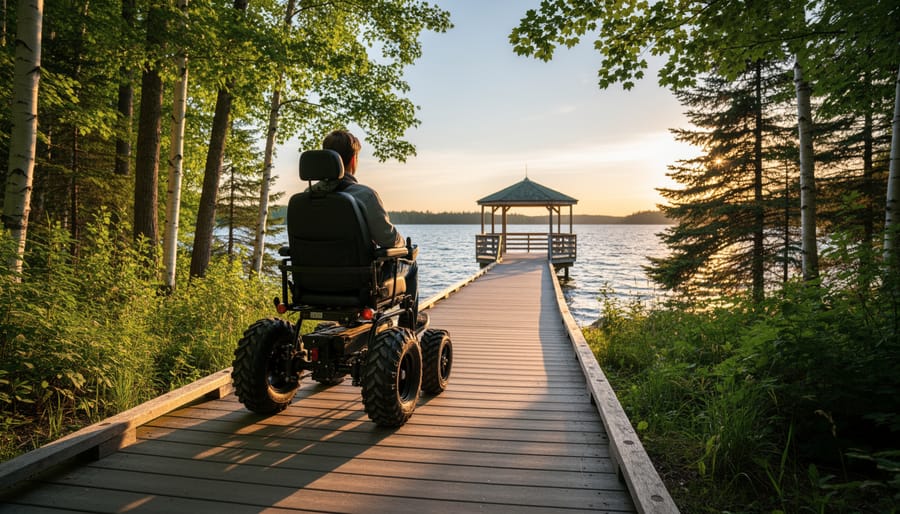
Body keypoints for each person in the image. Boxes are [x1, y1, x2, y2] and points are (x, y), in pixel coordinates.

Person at [316, 129, 419, 321]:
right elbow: (387, 239)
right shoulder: (364, 195)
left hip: (313, 284)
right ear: (353, 160)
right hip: (359, 283)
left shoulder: (305, 200)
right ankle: (409, 329)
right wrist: (405, 247)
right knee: (411, 265)